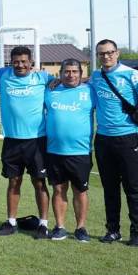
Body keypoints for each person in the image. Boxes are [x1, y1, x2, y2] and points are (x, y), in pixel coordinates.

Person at [89, 39, 138, 246]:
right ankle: (113, 231)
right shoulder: (96, 76)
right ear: (97, 55)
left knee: (133, 188)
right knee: (110, 188)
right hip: (103, 139)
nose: (106, 56)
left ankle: (136, 233)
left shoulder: (131, 75)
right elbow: (81, 84)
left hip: (128, 138)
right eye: (102, 53)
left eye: (110, 52)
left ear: (117, 53)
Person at [0, 45, 52, 238]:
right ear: (10, 62)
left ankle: (43, 224)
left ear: (31, 62)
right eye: (16, 62)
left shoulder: (43, 78)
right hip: (12, 140)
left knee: (39, 182)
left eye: (24, 61)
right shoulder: (2, 75)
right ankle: (11, 222)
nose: (20, 65)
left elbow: (64, 82)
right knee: (14, 182)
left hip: (37, 141)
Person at [44, 59, 94, 242]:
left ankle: (81, 228)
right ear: (60, 73)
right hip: (54, 151)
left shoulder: (90, 91)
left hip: (80, 152)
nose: (70, 75)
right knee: (58, 189)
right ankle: (60, 227)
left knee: (80, 191)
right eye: (66, 71)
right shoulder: (50, 91)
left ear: (81, 73)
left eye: (74, 71)